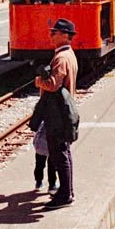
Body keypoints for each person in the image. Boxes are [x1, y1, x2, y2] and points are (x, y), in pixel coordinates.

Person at [33, 18, 78, 208]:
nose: (51, 35)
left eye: (55, 32)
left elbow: (53, 85)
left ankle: (65, 195)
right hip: (62, 111)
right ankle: (66, 191)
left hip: (57, 112)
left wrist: (38, 82)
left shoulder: (61, 58)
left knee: (59, 154)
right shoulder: (68, 54)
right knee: (64, 153)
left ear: (65, 36)